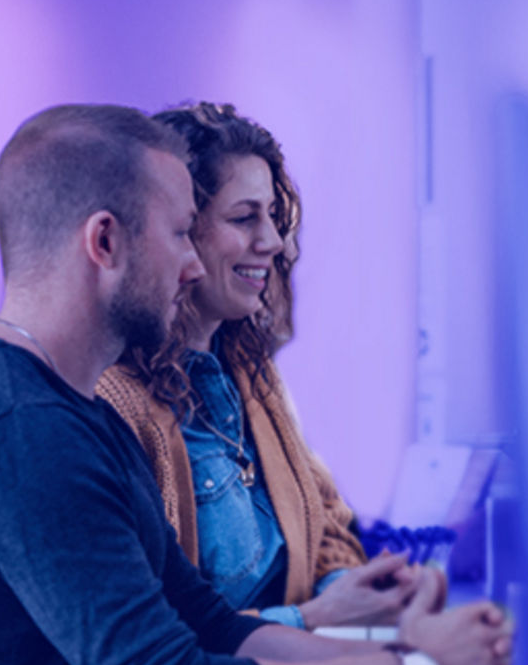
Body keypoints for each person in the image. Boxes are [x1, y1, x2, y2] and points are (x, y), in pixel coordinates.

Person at [0, 103, 511, 665]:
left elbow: (214, 629)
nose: (191, 265)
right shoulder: (19, 432)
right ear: (106, 242)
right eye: (177, 234)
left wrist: (402, 657)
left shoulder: (82, 418)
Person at [97, 102, 420, 630]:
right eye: (244, 217)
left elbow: (327, 522)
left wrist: (356, 593)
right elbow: (151, 643)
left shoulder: (248, 369)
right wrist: (313, 620)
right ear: (177, 231)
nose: (271, 241)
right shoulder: (115, 406)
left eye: (273, 215)